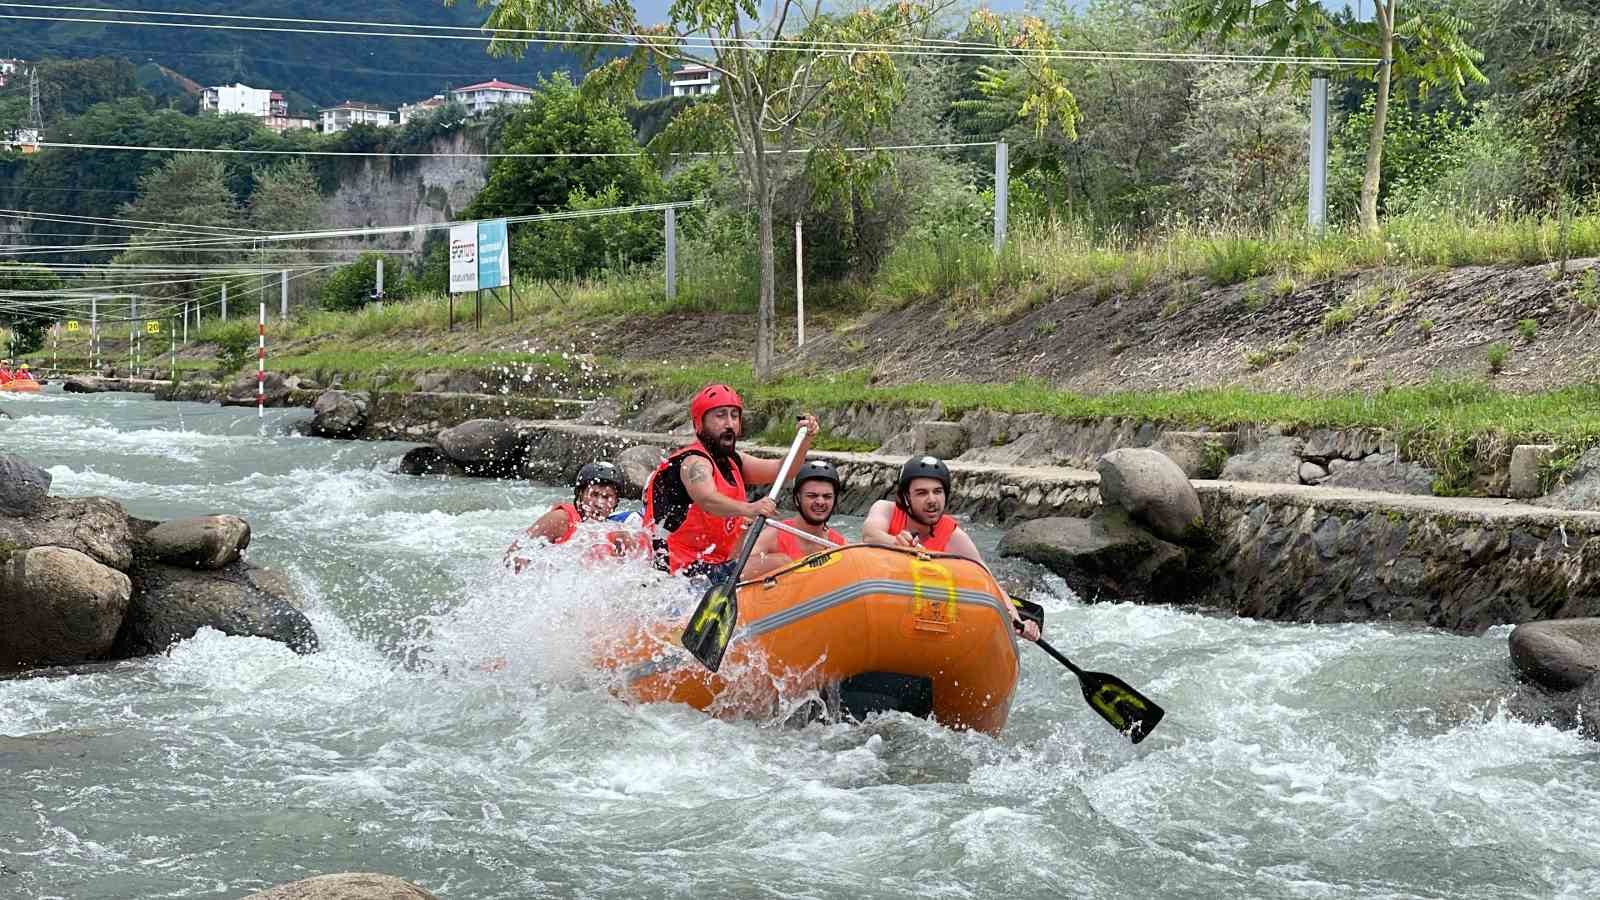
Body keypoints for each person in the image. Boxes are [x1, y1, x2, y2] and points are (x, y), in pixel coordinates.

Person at [643, 383, 820, 580]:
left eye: (734, 416)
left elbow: (783, 470)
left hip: (713, 566)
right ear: (700, 423)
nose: (730, 424)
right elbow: (708, 500)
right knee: (780, 563)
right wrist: (750, 508)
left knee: (777, 561)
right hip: (679, 572)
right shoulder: (693, 462)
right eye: (720, 415)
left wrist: (805, 440)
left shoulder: (734, 461)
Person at [863, 455, 1041, 641]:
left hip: (922, 619)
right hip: (880, 606)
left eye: (938, 491)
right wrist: (895, 542)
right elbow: (870, 533)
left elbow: (988, 580)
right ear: (905, 497)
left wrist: (1017, 619)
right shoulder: (885, 509)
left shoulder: (954, 537)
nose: (932, 500)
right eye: (922, 493)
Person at [504, 461, 645, 572]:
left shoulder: (618, 533)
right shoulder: (561, 519)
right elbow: (515, 552)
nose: (599, 503)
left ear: (615, 502)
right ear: (580, 495)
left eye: (607, 497)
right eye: (594, 494)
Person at [744, 459, 848, 579]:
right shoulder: (774, 534)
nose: (820, 502)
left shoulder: (840, 545)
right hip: (778, 595)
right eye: (812, 496)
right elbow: (740, 572)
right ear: (797, 498)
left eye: (827, 497)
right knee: (780, 561)